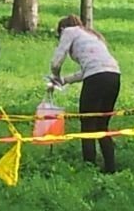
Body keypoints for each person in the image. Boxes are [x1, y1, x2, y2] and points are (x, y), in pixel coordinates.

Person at [49, 15, 121, 173]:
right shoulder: (93, 36)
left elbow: (57, 60)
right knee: (102, 124)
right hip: (114, 76)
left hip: (96, 78)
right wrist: (64, 80)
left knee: (87, 123)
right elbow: (90, 68)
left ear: (62, 29)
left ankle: (89, 167)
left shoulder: (68, 31)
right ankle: (111, 168)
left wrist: (54, 76)